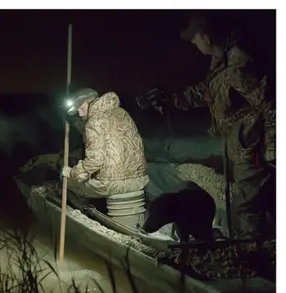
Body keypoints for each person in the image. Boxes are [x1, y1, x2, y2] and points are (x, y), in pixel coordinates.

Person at [169, 11, 276, 240]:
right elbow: (209, 92)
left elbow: (268, 103)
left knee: (247, 207)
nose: (194, 44)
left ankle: (252, 263)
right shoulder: (221, 59)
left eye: (195, 39)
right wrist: (175, 100)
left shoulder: (239, 60)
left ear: (206, 36)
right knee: (257, 201)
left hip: (252, 144)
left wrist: (273, 147)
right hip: (240, 142)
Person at [60, 88, 149, 202]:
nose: (80, 114)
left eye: (82, 108)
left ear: (91, 102)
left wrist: (72, 172)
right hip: (140, 179)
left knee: (67, 179)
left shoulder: (94, 121)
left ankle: (84, 211)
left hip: (112, 184)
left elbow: (95, 161)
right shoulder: (122, 112)